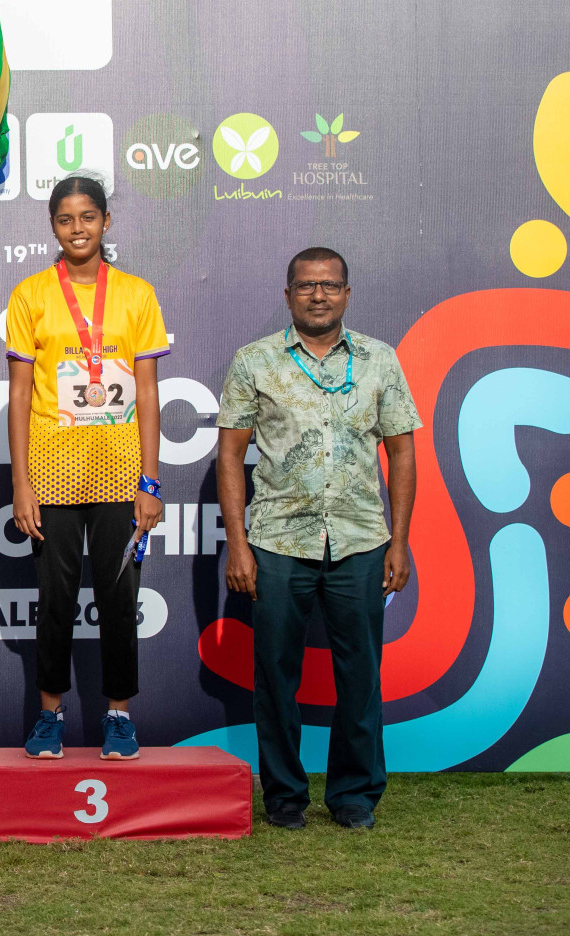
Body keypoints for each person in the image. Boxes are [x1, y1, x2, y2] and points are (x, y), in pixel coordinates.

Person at [216, 247, 419, 830]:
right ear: (288, 295)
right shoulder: (255, 362)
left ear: (347, 294)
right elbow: (230, 455)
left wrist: (398, 541)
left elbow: (402, 452)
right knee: (276, 676)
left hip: (359, 540)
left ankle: (354, 796)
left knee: (361, 675)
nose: (318, 295)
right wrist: (238, 544)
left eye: (329, 286)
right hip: (278, 541)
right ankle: (283, 797)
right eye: (306, 286)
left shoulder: (380, 360)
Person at [6, 176, 168, 761]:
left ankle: (118, 716)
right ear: (53, 226)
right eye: (66, 219)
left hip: (122, 472)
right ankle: (49, 716)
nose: (78, 229)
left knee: (121, 598)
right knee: (54, 600)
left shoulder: (137, 295)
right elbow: (19, 396)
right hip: (52, 472)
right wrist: (23, 485)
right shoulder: (30, 295)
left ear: (106, 222)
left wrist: (149, 482)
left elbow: (148, 394)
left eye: (88, 217)